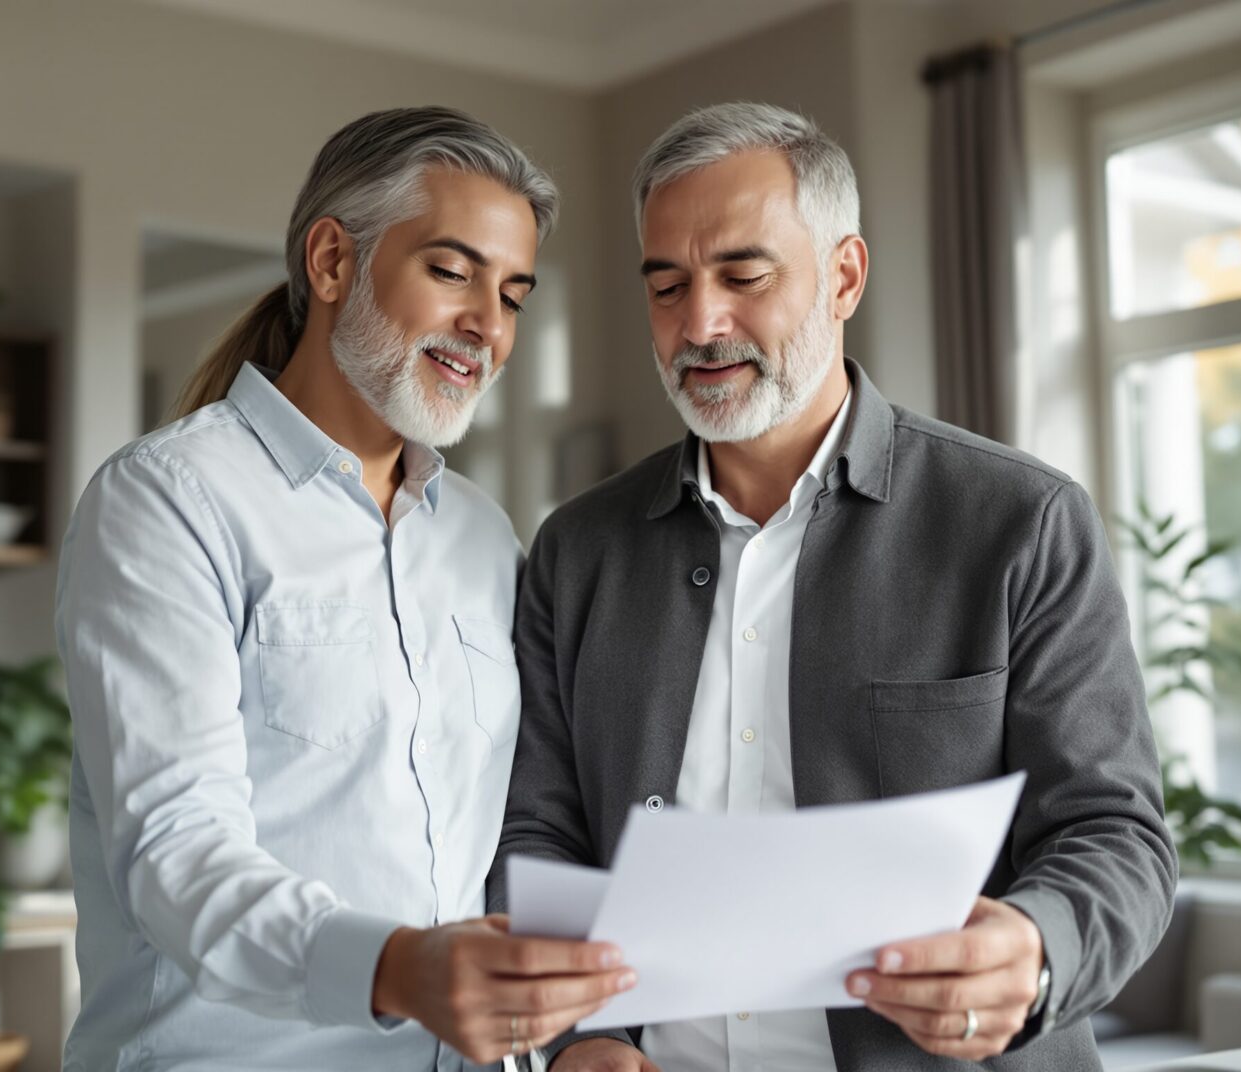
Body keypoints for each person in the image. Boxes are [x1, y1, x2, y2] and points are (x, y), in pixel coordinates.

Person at [490, 102, 1174, 1071]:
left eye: (742, 274)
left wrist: (1033, 945)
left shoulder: (1022, 523)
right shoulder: (575, 552)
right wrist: (573, 1040)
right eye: (667, 285)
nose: (699, 323)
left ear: (844, 274)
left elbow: (1116, 835)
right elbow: (537, 829)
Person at [57, 106, 634, 1072]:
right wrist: (399, 970)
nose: (488, 327)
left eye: (515, 294)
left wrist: (579, 1035)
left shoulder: (487, 541)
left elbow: (509, 834)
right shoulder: (166, 502)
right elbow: (175, 854)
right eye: (451, 271)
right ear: (332, 263)